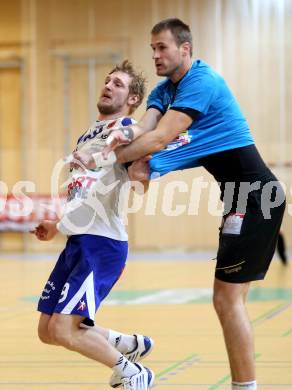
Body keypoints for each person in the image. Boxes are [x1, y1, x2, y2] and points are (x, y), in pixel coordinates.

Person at [75, 19, 286, 390]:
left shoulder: (201, 83)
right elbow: (142, 129)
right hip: (237, 196)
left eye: (162, 48)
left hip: (256, 196)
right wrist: (115, 140)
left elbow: (158, 138)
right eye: (152, 48)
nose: (155, 55)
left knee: (227, 300)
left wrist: (106, 157)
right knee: (228, 300)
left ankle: (246, 387)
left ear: (185, 50)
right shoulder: (163, 90)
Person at [31, 60, 154, 390]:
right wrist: (57, 225)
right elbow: (84, 194)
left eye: (118, 83)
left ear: (132, 98)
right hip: (77, 240)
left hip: (102, 244)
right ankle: (123, 342)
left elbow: (141, 177)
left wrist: (143, 169)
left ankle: (131, 371)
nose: (109, 85)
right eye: (107, 80)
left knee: (62, 328)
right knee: (47, 331)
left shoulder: (126, 129)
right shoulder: (88, 135)